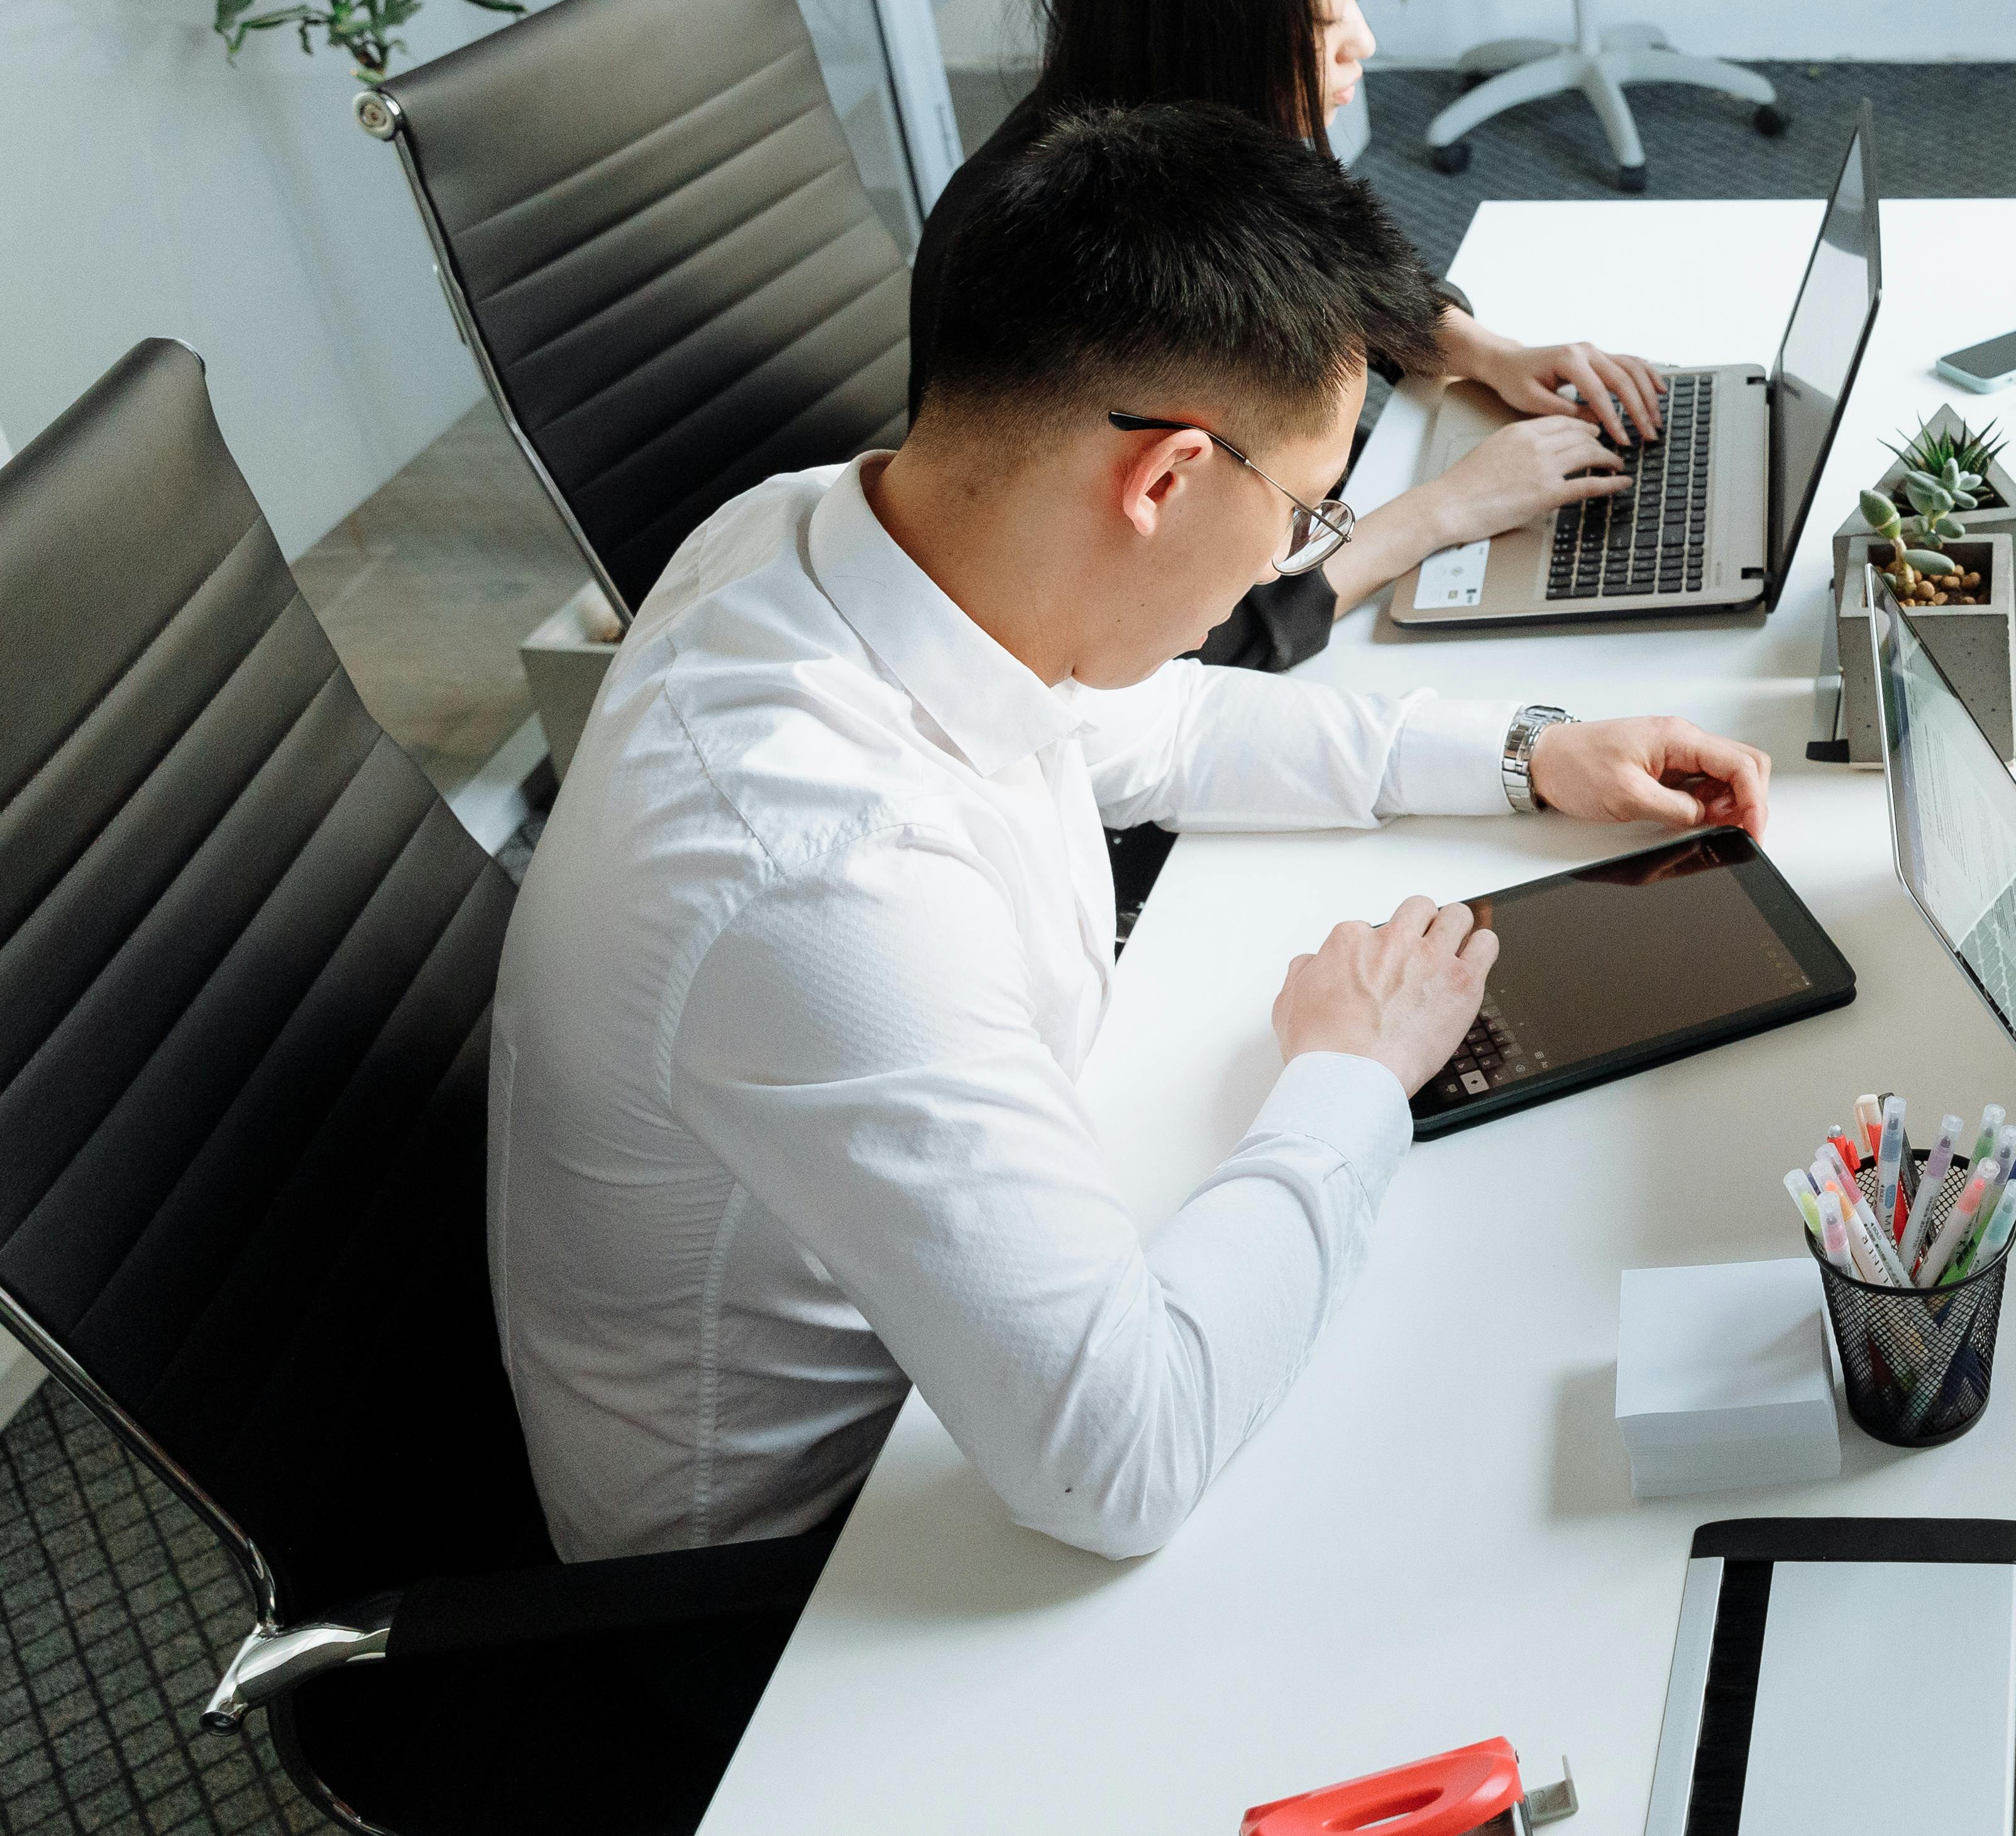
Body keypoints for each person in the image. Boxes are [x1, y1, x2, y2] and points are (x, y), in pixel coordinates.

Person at [494, 102, 1773, 1564]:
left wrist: (1530, 749)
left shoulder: (819, 534)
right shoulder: (819, 881)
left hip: (962, 1339)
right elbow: (1123, 1457)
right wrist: (1353, 1077)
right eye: (1307, 513)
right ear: (1162, 479)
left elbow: (1156, 727)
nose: (1302, 551)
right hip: (825, 1576)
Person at [909, 0, 1662, 670]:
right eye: (1324, 8)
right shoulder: (1094, 259)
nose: (1365, 42)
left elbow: (1331, 275)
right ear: (1211, 19)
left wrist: (1487, 351)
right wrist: (1445, 511)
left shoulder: (1196, 146)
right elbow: (1195, 644)